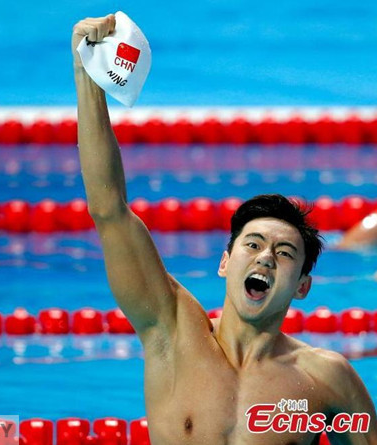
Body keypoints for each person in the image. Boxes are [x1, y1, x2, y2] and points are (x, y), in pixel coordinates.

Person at [72, 14, 377, 445]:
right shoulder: (171, 333)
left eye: (285, 253)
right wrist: (87, 79)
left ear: (303, 285)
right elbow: (108, 209)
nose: (265, 256)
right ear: (224, 262)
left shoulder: (327, 380)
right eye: (252, 244)